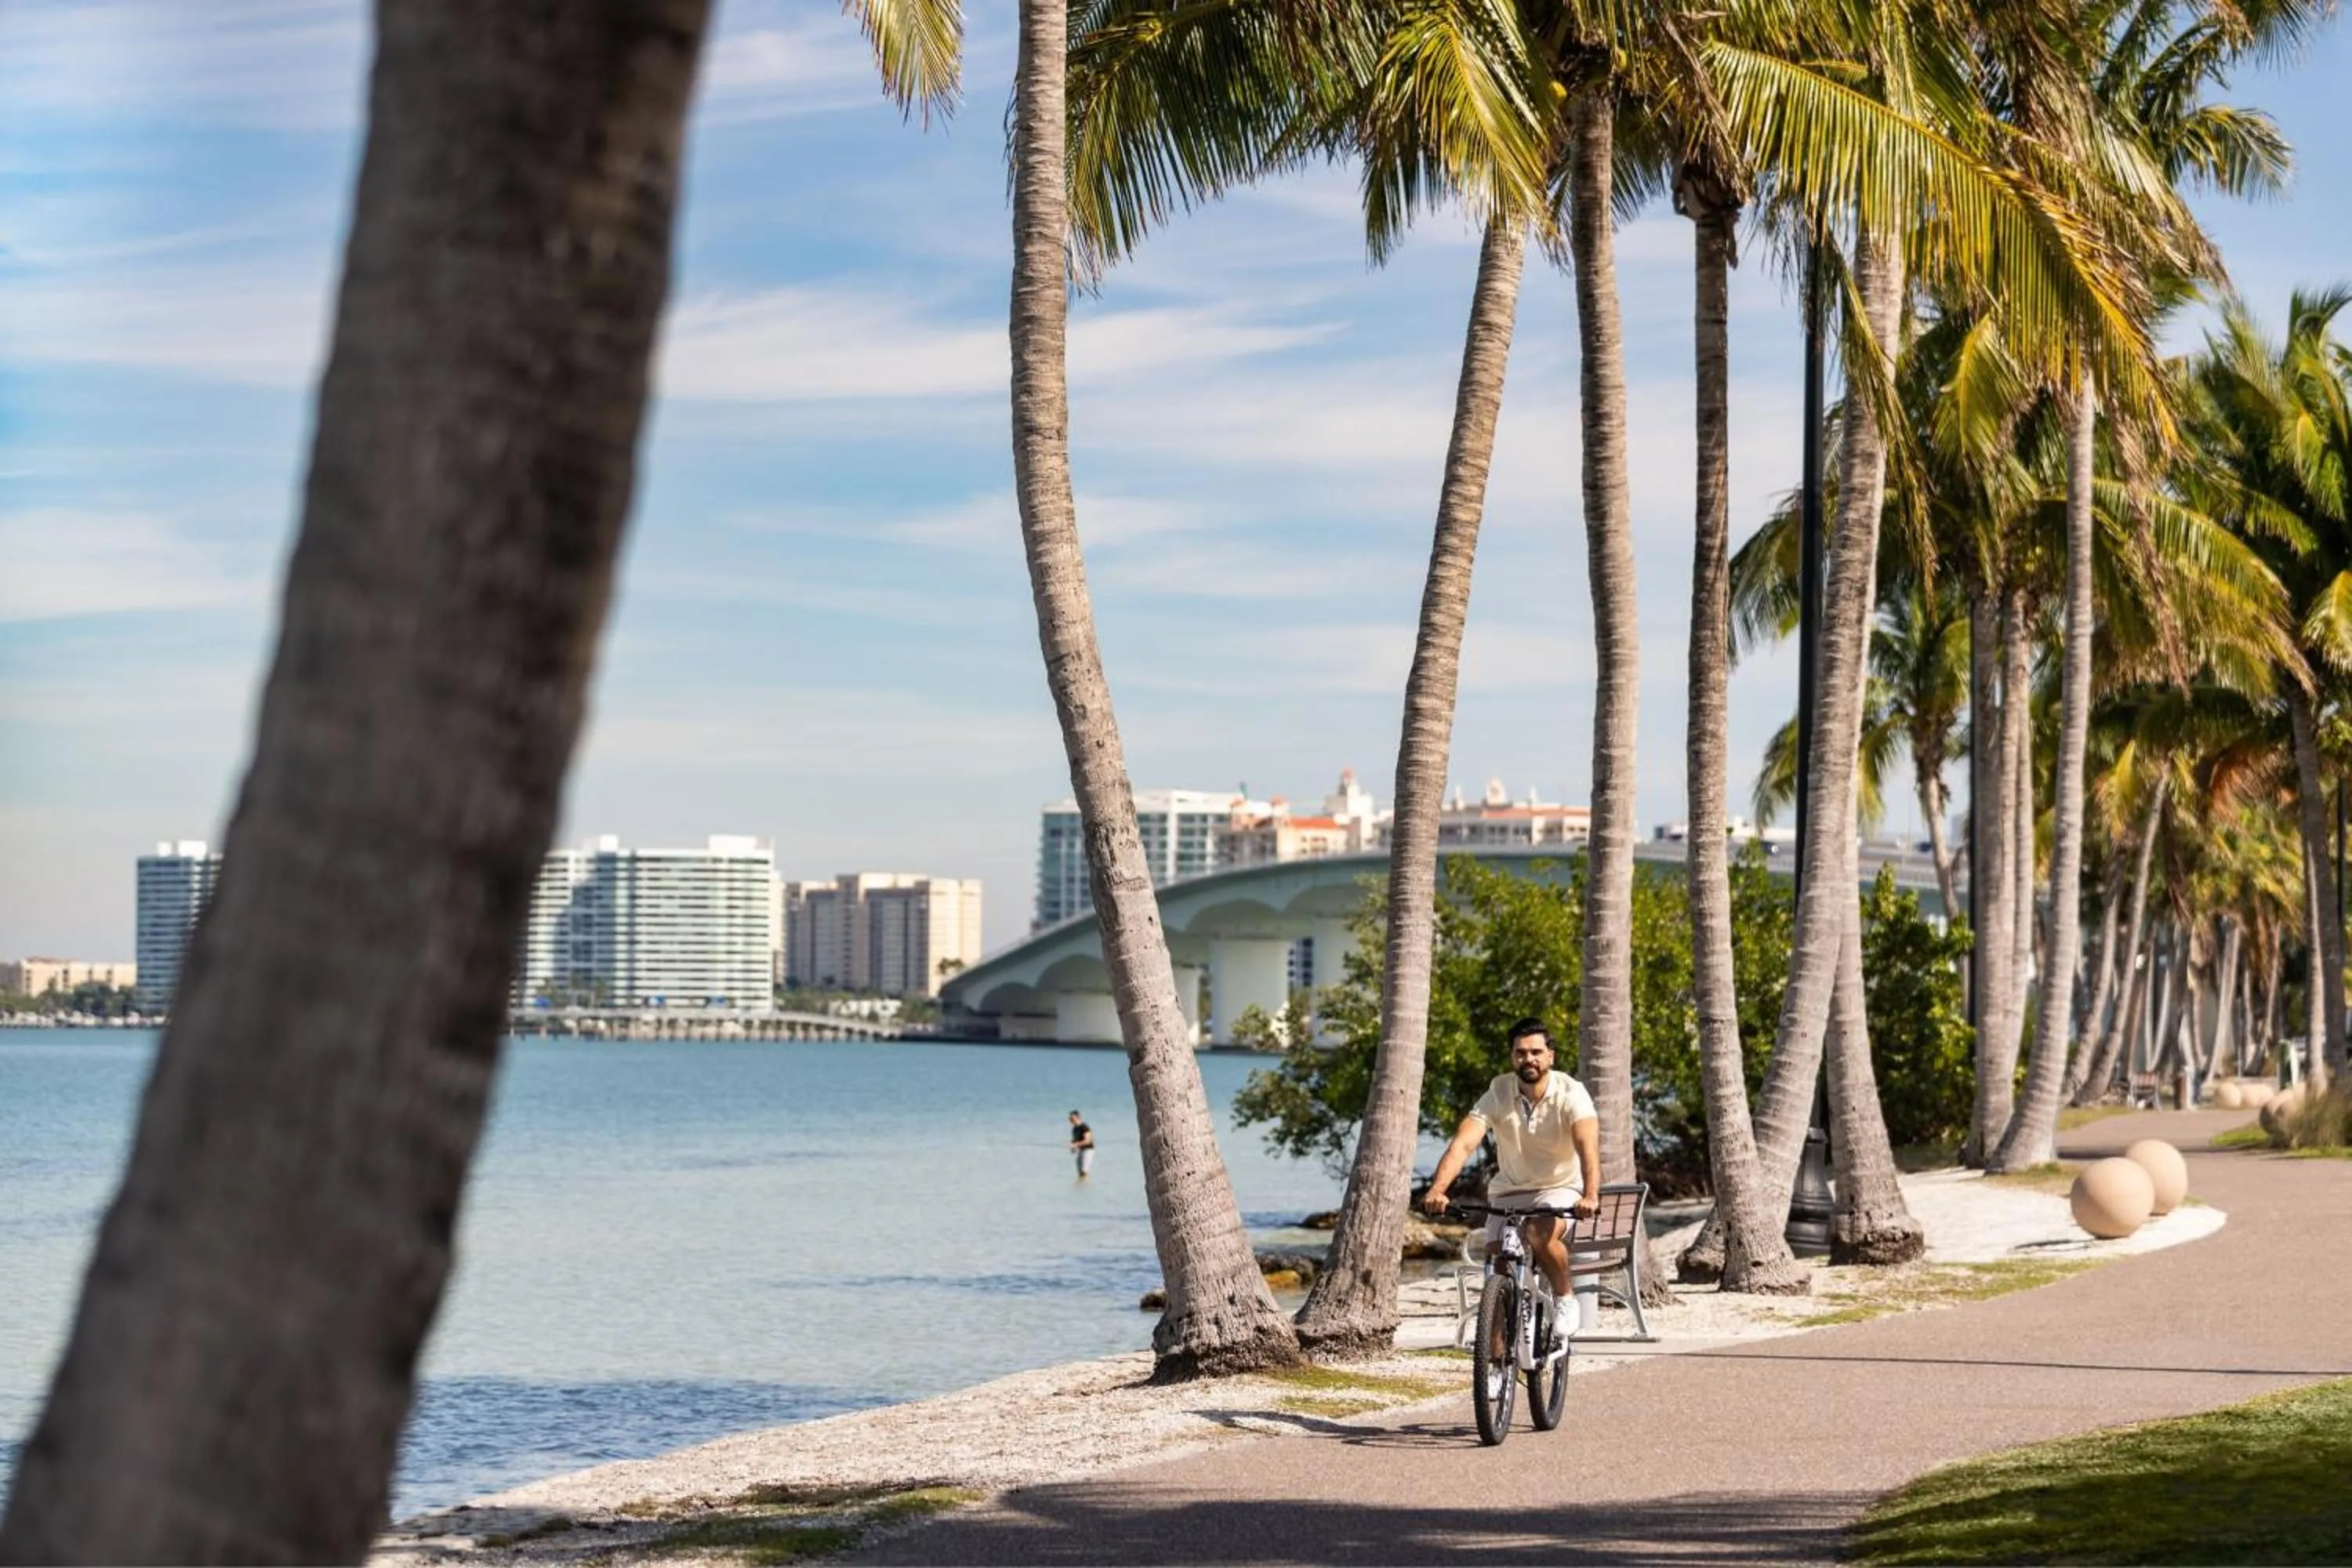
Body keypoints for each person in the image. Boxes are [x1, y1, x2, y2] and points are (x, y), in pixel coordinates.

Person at [1421, 1018, 1601, 1337]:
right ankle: (1494, 1372)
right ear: (1512, 1057)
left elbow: (1588, 1147)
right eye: (1520, 1053)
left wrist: (1590, 1195)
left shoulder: (1572, 1092)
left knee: (1539, 1232)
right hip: (1509, 1191)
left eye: (1536, 1052)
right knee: (1498, 1266)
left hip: (1559, 1188)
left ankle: (1565, 1297)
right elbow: (1464, 1143)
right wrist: (1438, 1189)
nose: (1528, 1059)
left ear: (1550, 1056)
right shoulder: (1498, 1090)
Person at [1068, 1109, 1095, 1178]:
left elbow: (1088, 1141)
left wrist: (1076, 1144)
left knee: (1084, 1171)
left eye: (1072, 1118)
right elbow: (1074, 1140)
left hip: (1088, 1150)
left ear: (1077, 1117)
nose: (1070, 1120)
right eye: (1070, 1119)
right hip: (1081, 1151)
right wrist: (1073, 1148)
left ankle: (1087, 1185)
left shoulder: (1084, 1127)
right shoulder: (1074, 1129)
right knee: (1080, 1173)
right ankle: (1082, 1186)